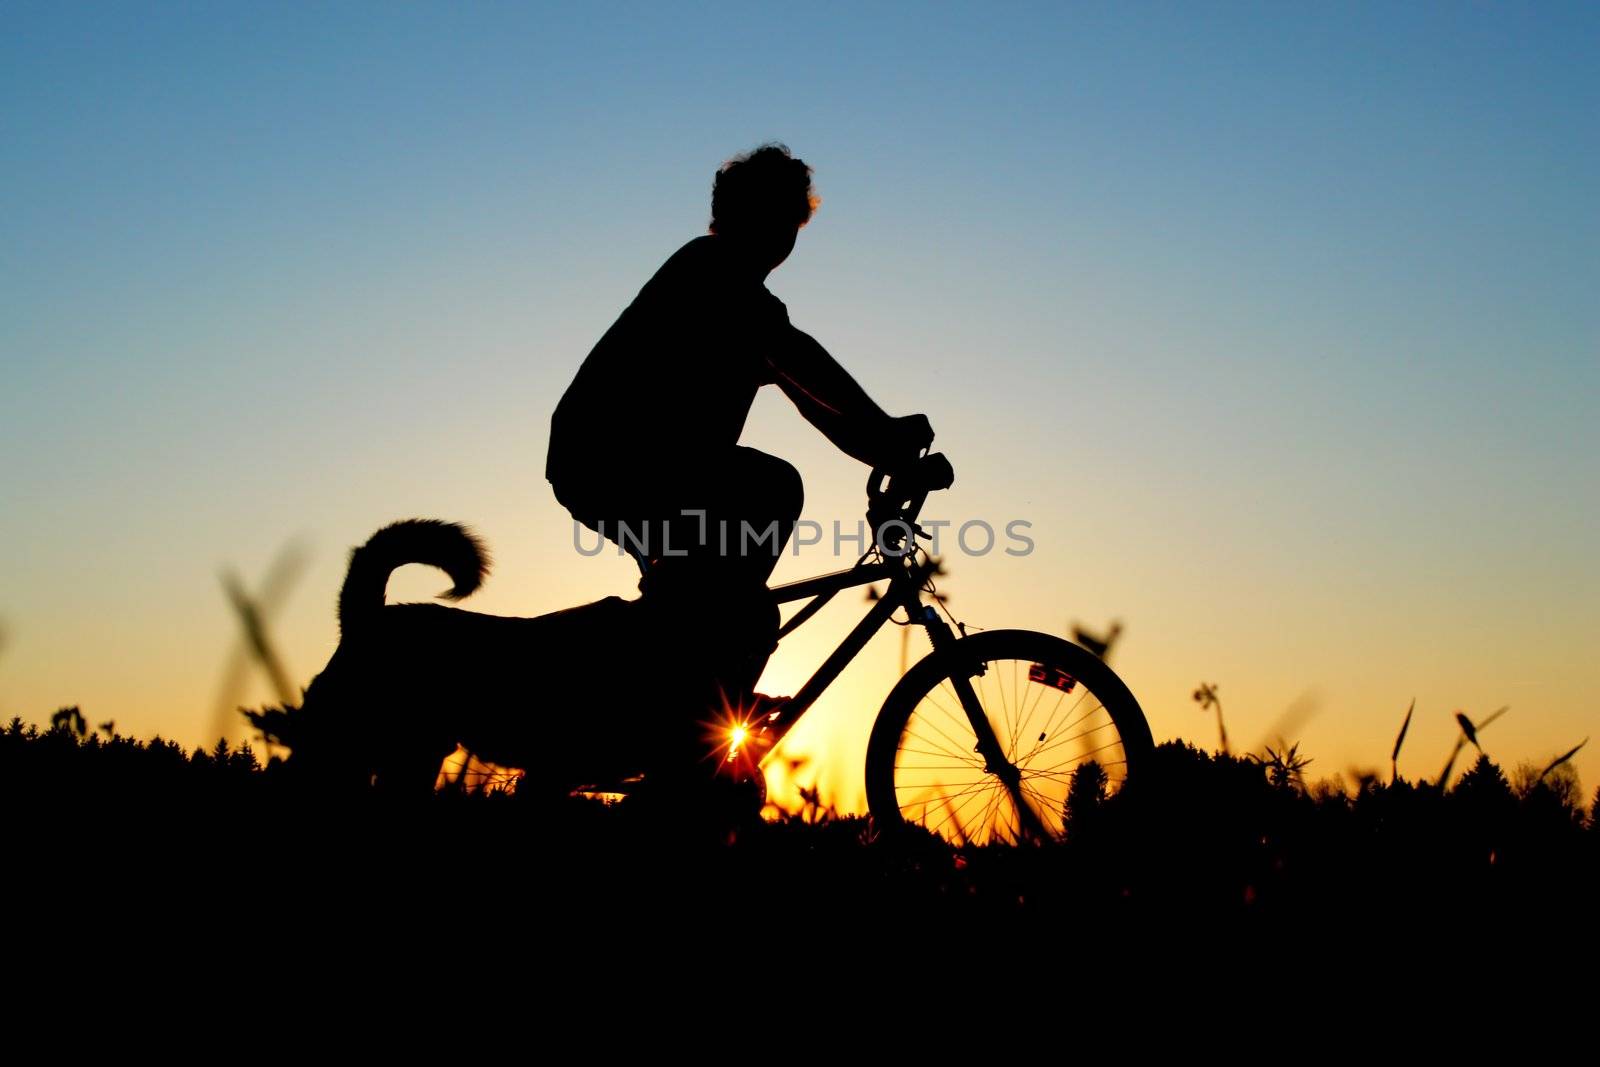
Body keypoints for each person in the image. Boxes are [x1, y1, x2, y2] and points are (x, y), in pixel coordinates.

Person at [545, 143, 938, 740]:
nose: (782, 232)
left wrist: (884, 453)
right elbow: (798, 356)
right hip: (609, 459)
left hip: (632, 466)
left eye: (789, 220)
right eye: (773, 215)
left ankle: (678, 713)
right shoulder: (710, 270)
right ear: (735, 217)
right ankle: (691, 716)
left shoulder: (746, 303)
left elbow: (817, 403)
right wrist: (887, 430)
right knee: (766, 506)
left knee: (722, 611)